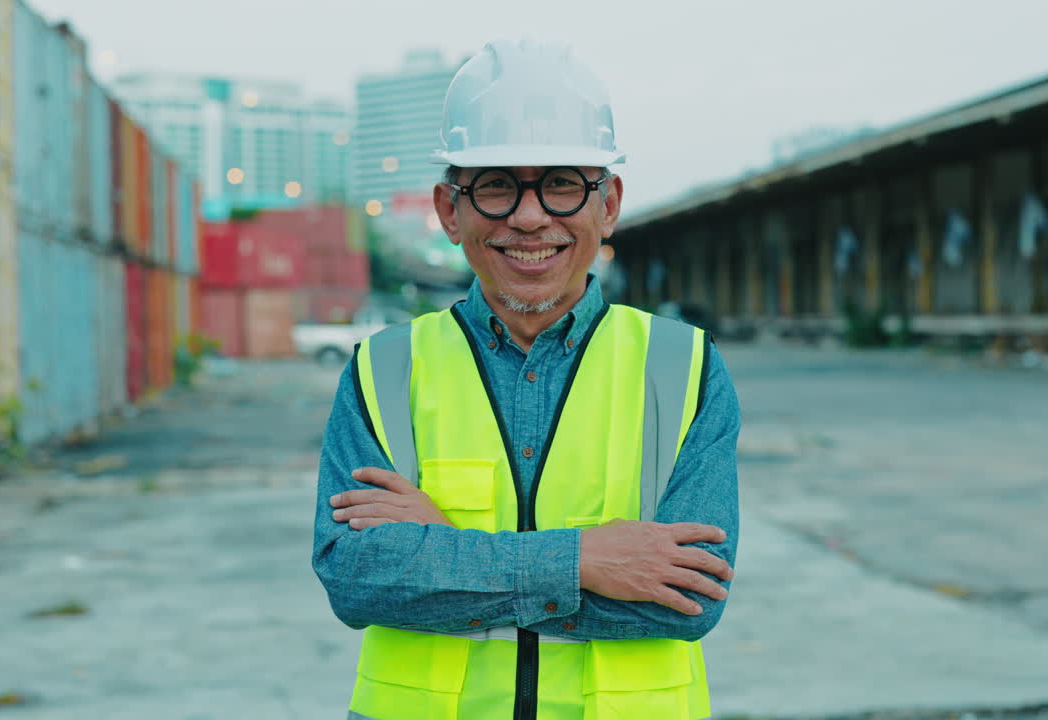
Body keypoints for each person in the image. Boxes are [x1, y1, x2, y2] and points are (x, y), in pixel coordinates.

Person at [312, 38, 740, 720]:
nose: (530, 215)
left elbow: (688, 601)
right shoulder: (383, 371)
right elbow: (359, 580)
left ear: (609, 204)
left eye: (563, 181)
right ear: (450, 209)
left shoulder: (682, 369)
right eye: (496, 183)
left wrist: (443, 551)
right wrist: (582, 563)